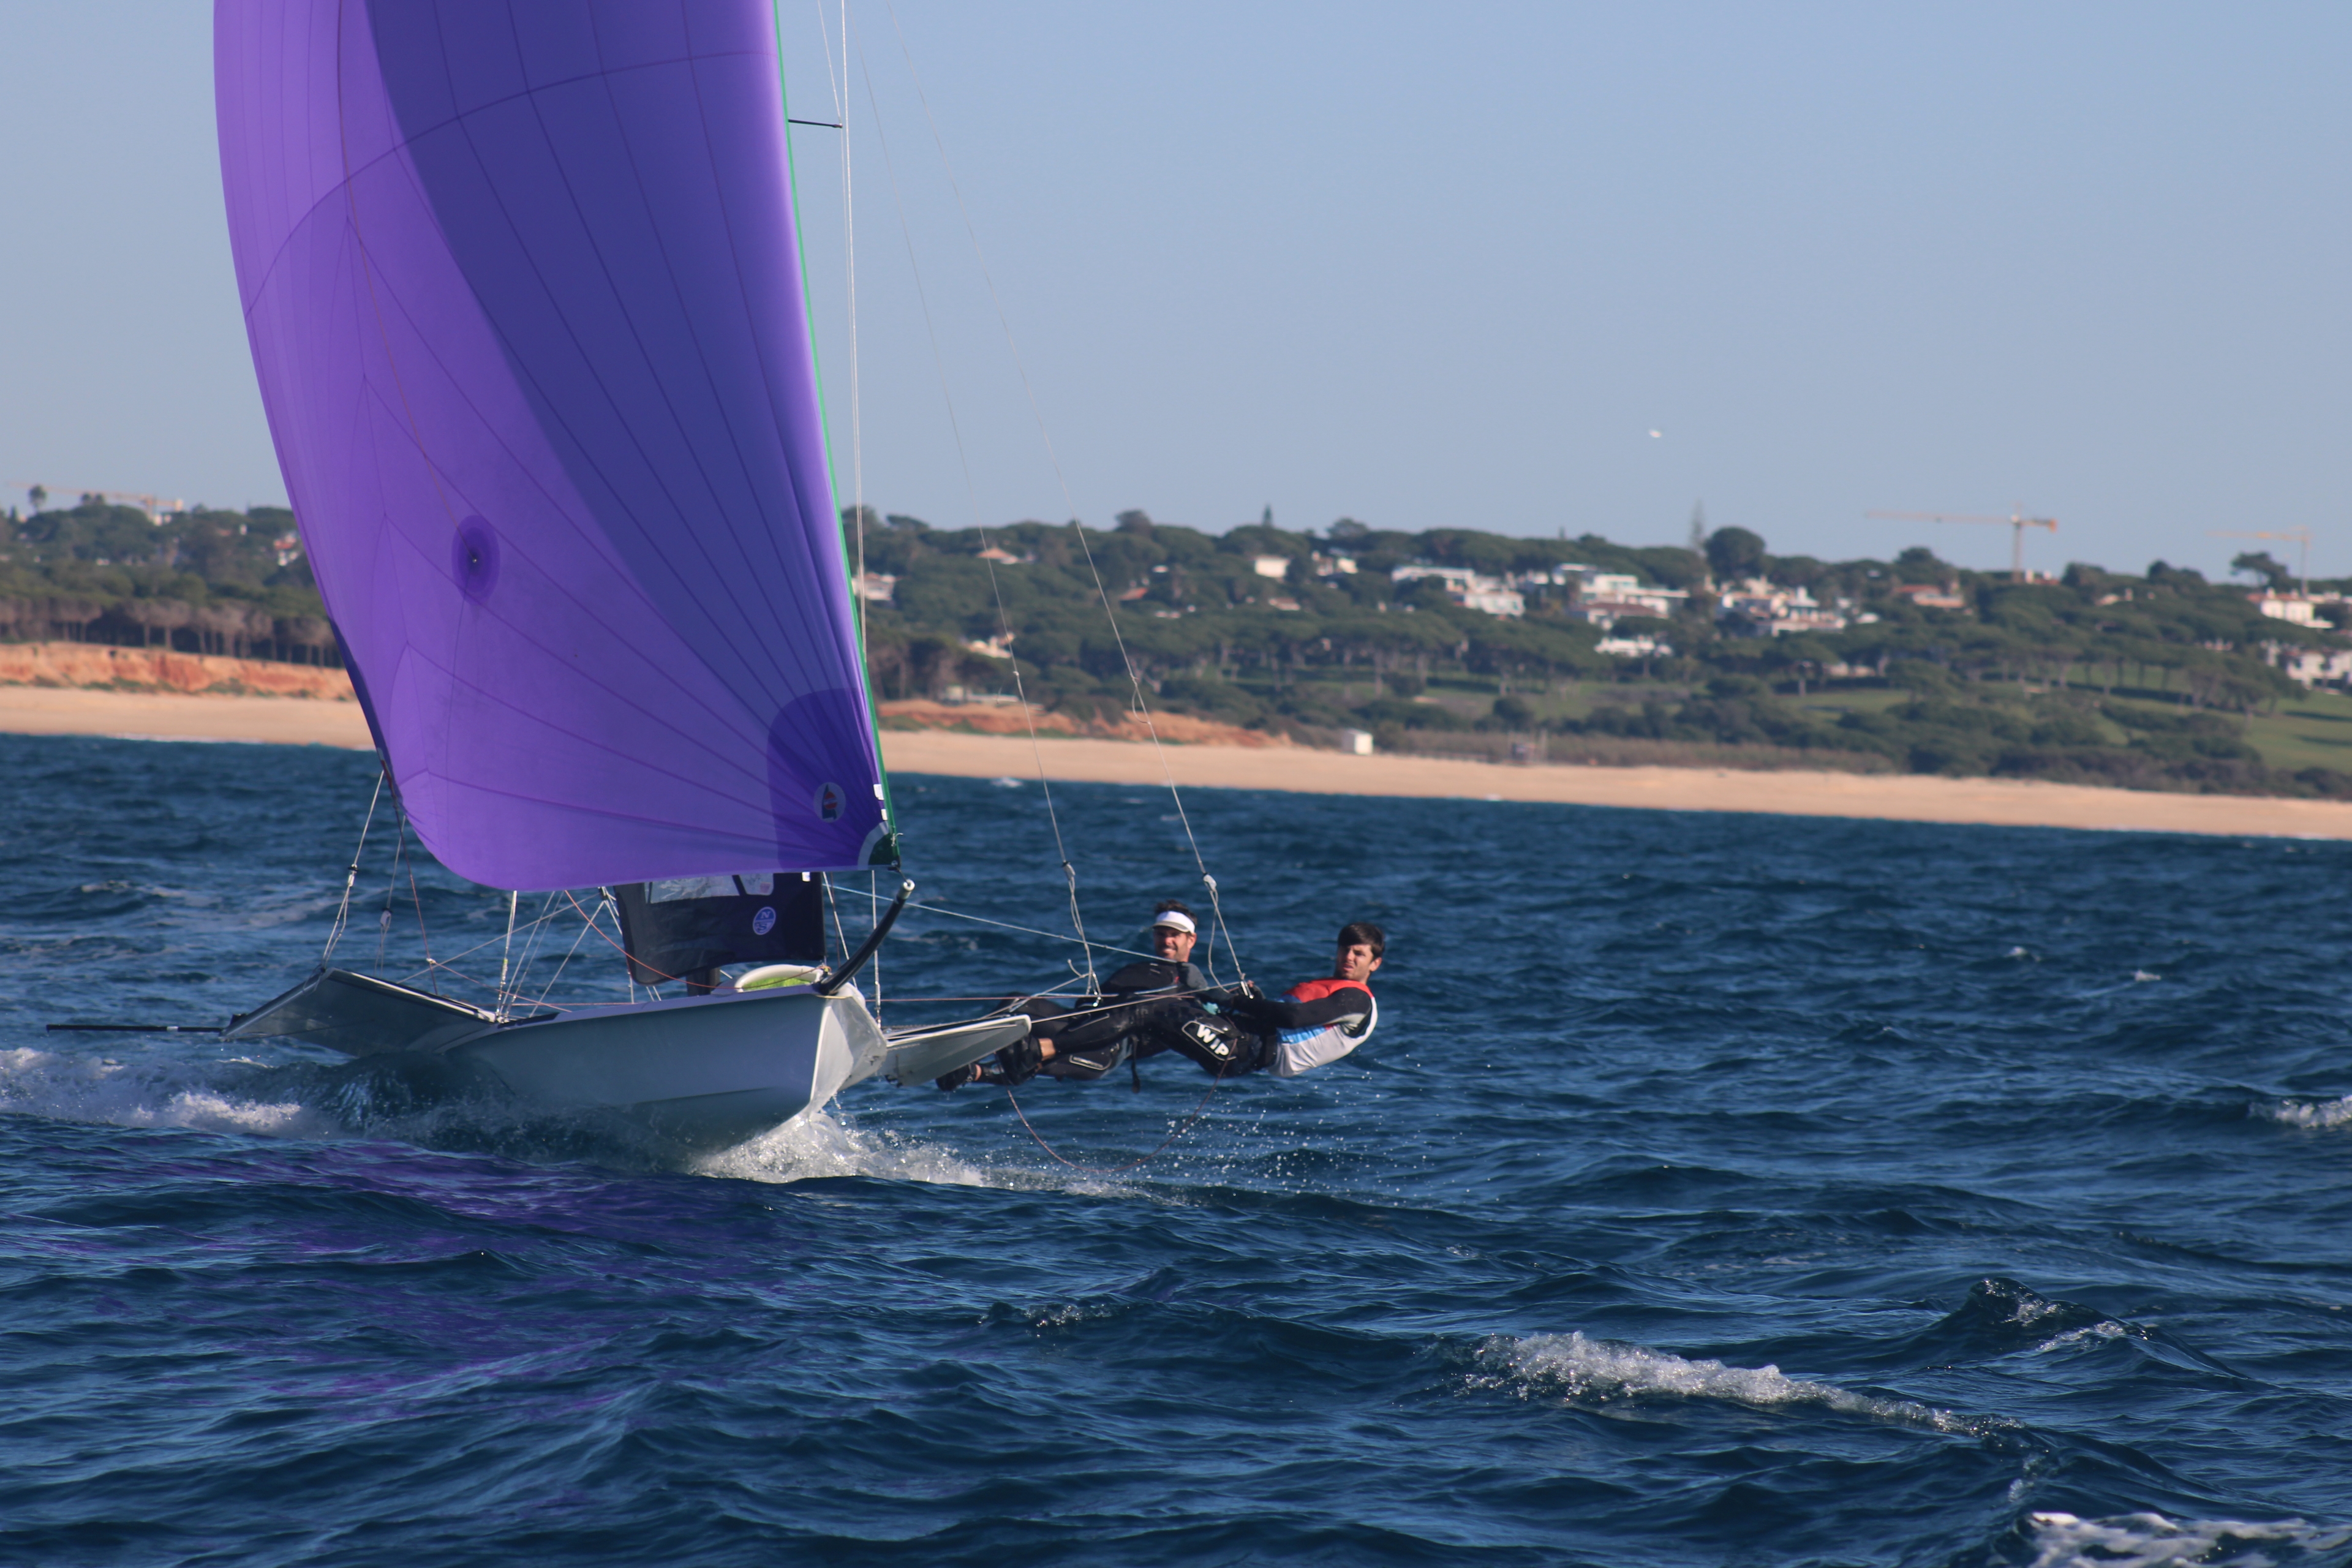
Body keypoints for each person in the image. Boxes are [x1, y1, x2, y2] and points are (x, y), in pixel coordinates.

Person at [938, 902, 1212, 1088]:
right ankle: (962, 1055)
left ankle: (974, 1073)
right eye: (1161, 934)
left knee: (1031, 1057)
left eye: (1175, 935)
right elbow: (1092, 1001)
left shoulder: (1191, 991)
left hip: (1106, 1049)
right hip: (1077, 1025)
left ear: (1191, 940)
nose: (1166, 941)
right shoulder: (1137, 969)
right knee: (1016, 1002)